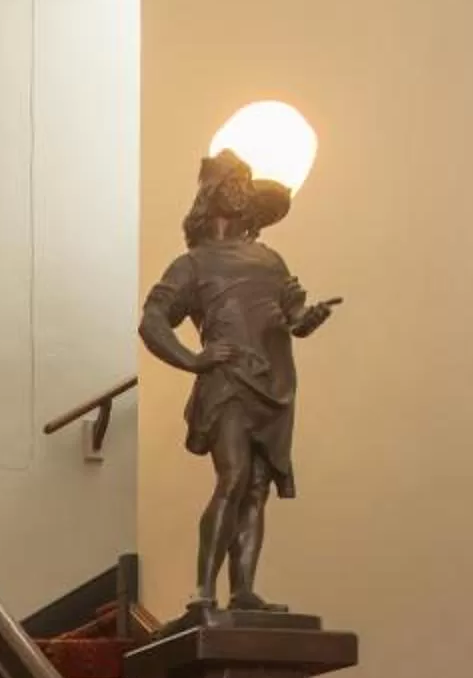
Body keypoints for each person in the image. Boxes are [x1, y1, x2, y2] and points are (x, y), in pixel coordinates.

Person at [138, 149, 341, 616]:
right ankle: (203, 593)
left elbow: (292, 322)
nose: (240, 187)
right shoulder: (191, 264)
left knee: (256, 488)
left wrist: (308, 317)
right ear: (210, 193)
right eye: (232, 179)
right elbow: (152, 321)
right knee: (231, 478)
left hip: (275, 381)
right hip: (228, 381)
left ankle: (243, 589)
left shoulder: (269, 259)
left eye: (245, 180)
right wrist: (193, 359)